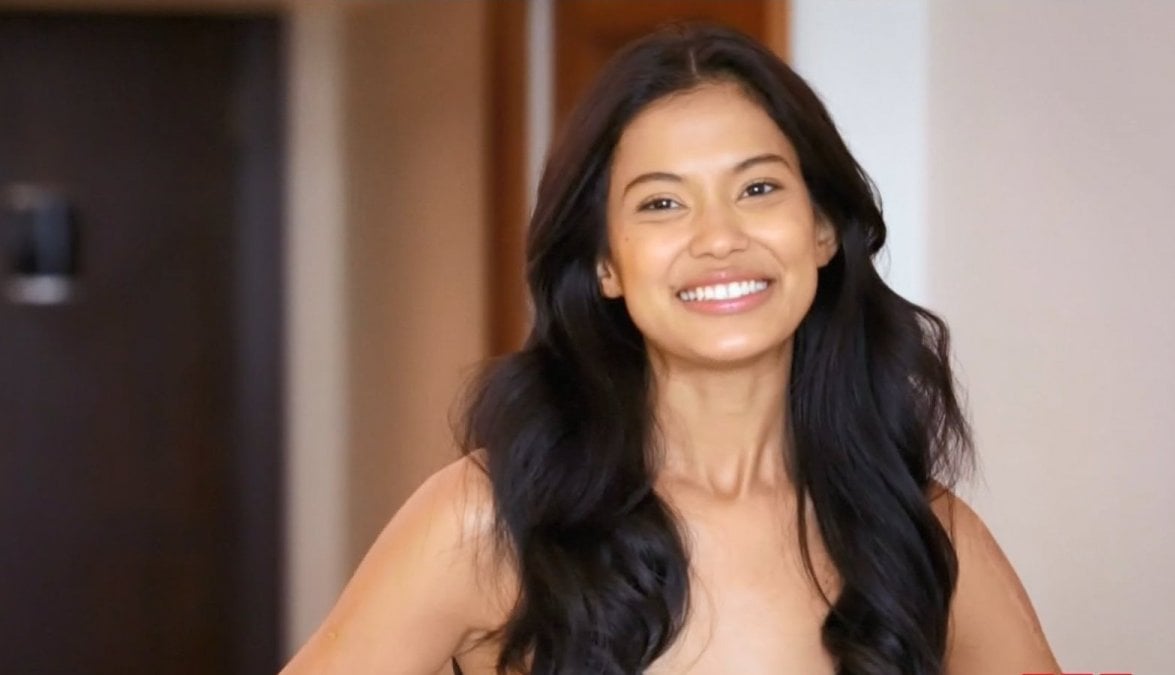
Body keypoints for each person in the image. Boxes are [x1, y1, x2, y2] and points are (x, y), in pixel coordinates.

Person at [281, 24, 1060, 675]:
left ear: (823, 230)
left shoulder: (918, 531)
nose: (719, 237)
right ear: (606, 265)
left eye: (758, 189)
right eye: (661, 203)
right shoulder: (490, 519)